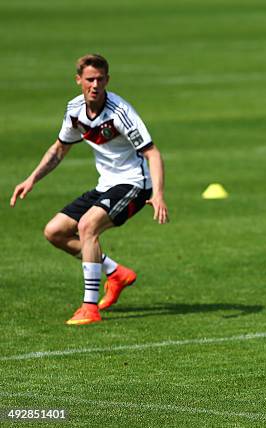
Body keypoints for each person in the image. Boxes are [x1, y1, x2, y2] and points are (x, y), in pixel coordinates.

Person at [10, 54, 169, 325]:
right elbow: (60, 148)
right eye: (89, 79)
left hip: (134, 184)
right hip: (106, 185)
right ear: (78, 80)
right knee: (55, 232)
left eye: (100, 79)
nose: (94, 85)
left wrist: (158, 194)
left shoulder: (120, 113)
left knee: (87, 226)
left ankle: (89, 307)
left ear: (107, 80)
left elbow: (152, 153)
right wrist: (32, 179)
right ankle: (115, 273)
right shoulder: (74, 110)